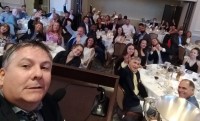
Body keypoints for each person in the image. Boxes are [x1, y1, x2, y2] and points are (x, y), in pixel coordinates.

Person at [0, 41, 63, 121]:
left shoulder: (50, 104)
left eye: (44, 67)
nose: (39, 74)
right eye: (26, 66)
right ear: (2, 76)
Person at [119, 56, 146, 121]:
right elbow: (121, 73)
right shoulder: (126, 72)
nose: (136, 65)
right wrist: (124, 63)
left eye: (138, 64)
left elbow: (139, 85)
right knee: (151, 111)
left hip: (137, 96)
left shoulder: (137, 73)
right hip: (130, 101)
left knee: (152, 105)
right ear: (129, 62)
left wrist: (146, 97)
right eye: (134, 62)